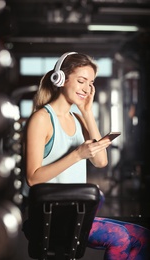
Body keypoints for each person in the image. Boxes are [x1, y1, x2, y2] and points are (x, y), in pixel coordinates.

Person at [23, 52, 150, 259]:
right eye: (81, 81)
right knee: (121, 238)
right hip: (50, 217)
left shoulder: (78, 119)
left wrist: (87, 112)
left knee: (143, 236)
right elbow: (32, 178)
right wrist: (77, 154)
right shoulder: (42, 119)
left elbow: (101, 161)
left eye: (90, 83)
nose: (86, 88)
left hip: (75, 213)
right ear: (60, 79)